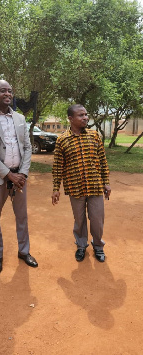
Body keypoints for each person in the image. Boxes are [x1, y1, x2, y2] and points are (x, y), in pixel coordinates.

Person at [0, 79, 38, 274]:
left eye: (10, 91)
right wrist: (9, 175)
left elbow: (27, 148)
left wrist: (23, 173)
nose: (8, 94)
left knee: (22, 216)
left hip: (20, 177)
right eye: (3, 91)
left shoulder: (20, 118)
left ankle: (24, 251)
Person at [52, 104, 111, 262]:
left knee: (97, 219)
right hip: (75, 187)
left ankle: (98, 246)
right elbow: (58, 166)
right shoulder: (62, 140)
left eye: (86, 114)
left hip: (95, 186)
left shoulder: (94, 136)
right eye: (81, 115)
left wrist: (106, 182)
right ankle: (81, 245)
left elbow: (102, 161)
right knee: (79, 220)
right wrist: (56, 188)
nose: (85, 117)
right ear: (70, 119)